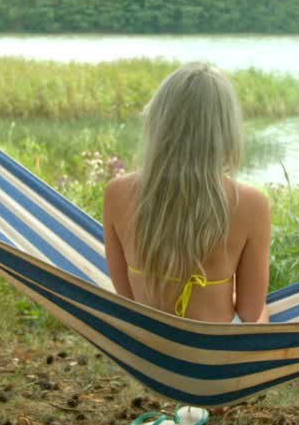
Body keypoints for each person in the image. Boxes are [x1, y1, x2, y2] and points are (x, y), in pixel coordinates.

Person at [103, 61, 271, 325]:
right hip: (217, 348)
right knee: (264, 313)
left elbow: (126, 300)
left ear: (157, 121)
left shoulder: (117, 193)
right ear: (226, 130)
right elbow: (250, 314)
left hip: (145, 340)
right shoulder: (250, 204)